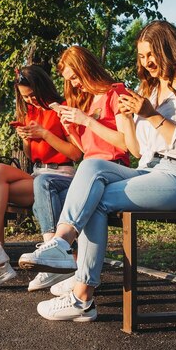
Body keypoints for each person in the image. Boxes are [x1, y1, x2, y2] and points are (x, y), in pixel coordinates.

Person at [19, 20, 176, 322]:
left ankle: (81, 293)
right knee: (92, 166)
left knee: (97, 196)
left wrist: (149, 115)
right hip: (148, 170)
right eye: (142, 56)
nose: (146, 63)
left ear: (169, 50)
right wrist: (130, 118)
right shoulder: (148, 90)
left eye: (151, 55)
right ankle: (62, 249)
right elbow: (136, 151)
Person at [26, 46, 130, 292]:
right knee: (46, 185)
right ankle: (62, 259)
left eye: (74, 77)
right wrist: (71, 128)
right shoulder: (88, 101)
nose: (73, 84)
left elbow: (124, 144)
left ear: (87, 68)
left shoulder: (117, 93)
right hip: (89, 171)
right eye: (69, 80)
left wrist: (86, 120)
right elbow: (85, 150)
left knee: (78, 191)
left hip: (112, 169)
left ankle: (61, 255)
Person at [0, 65, 81, 291]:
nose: (29, 100)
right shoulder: (29, 112)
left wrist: (44, 134)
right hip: (37, 173)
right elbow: (31, 156)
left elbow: (75, 153)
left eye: (32, 95)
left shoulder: (62, 108)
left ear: (42, 87)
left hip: (60, 175)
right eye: (24, 97)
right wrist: (26, 138)